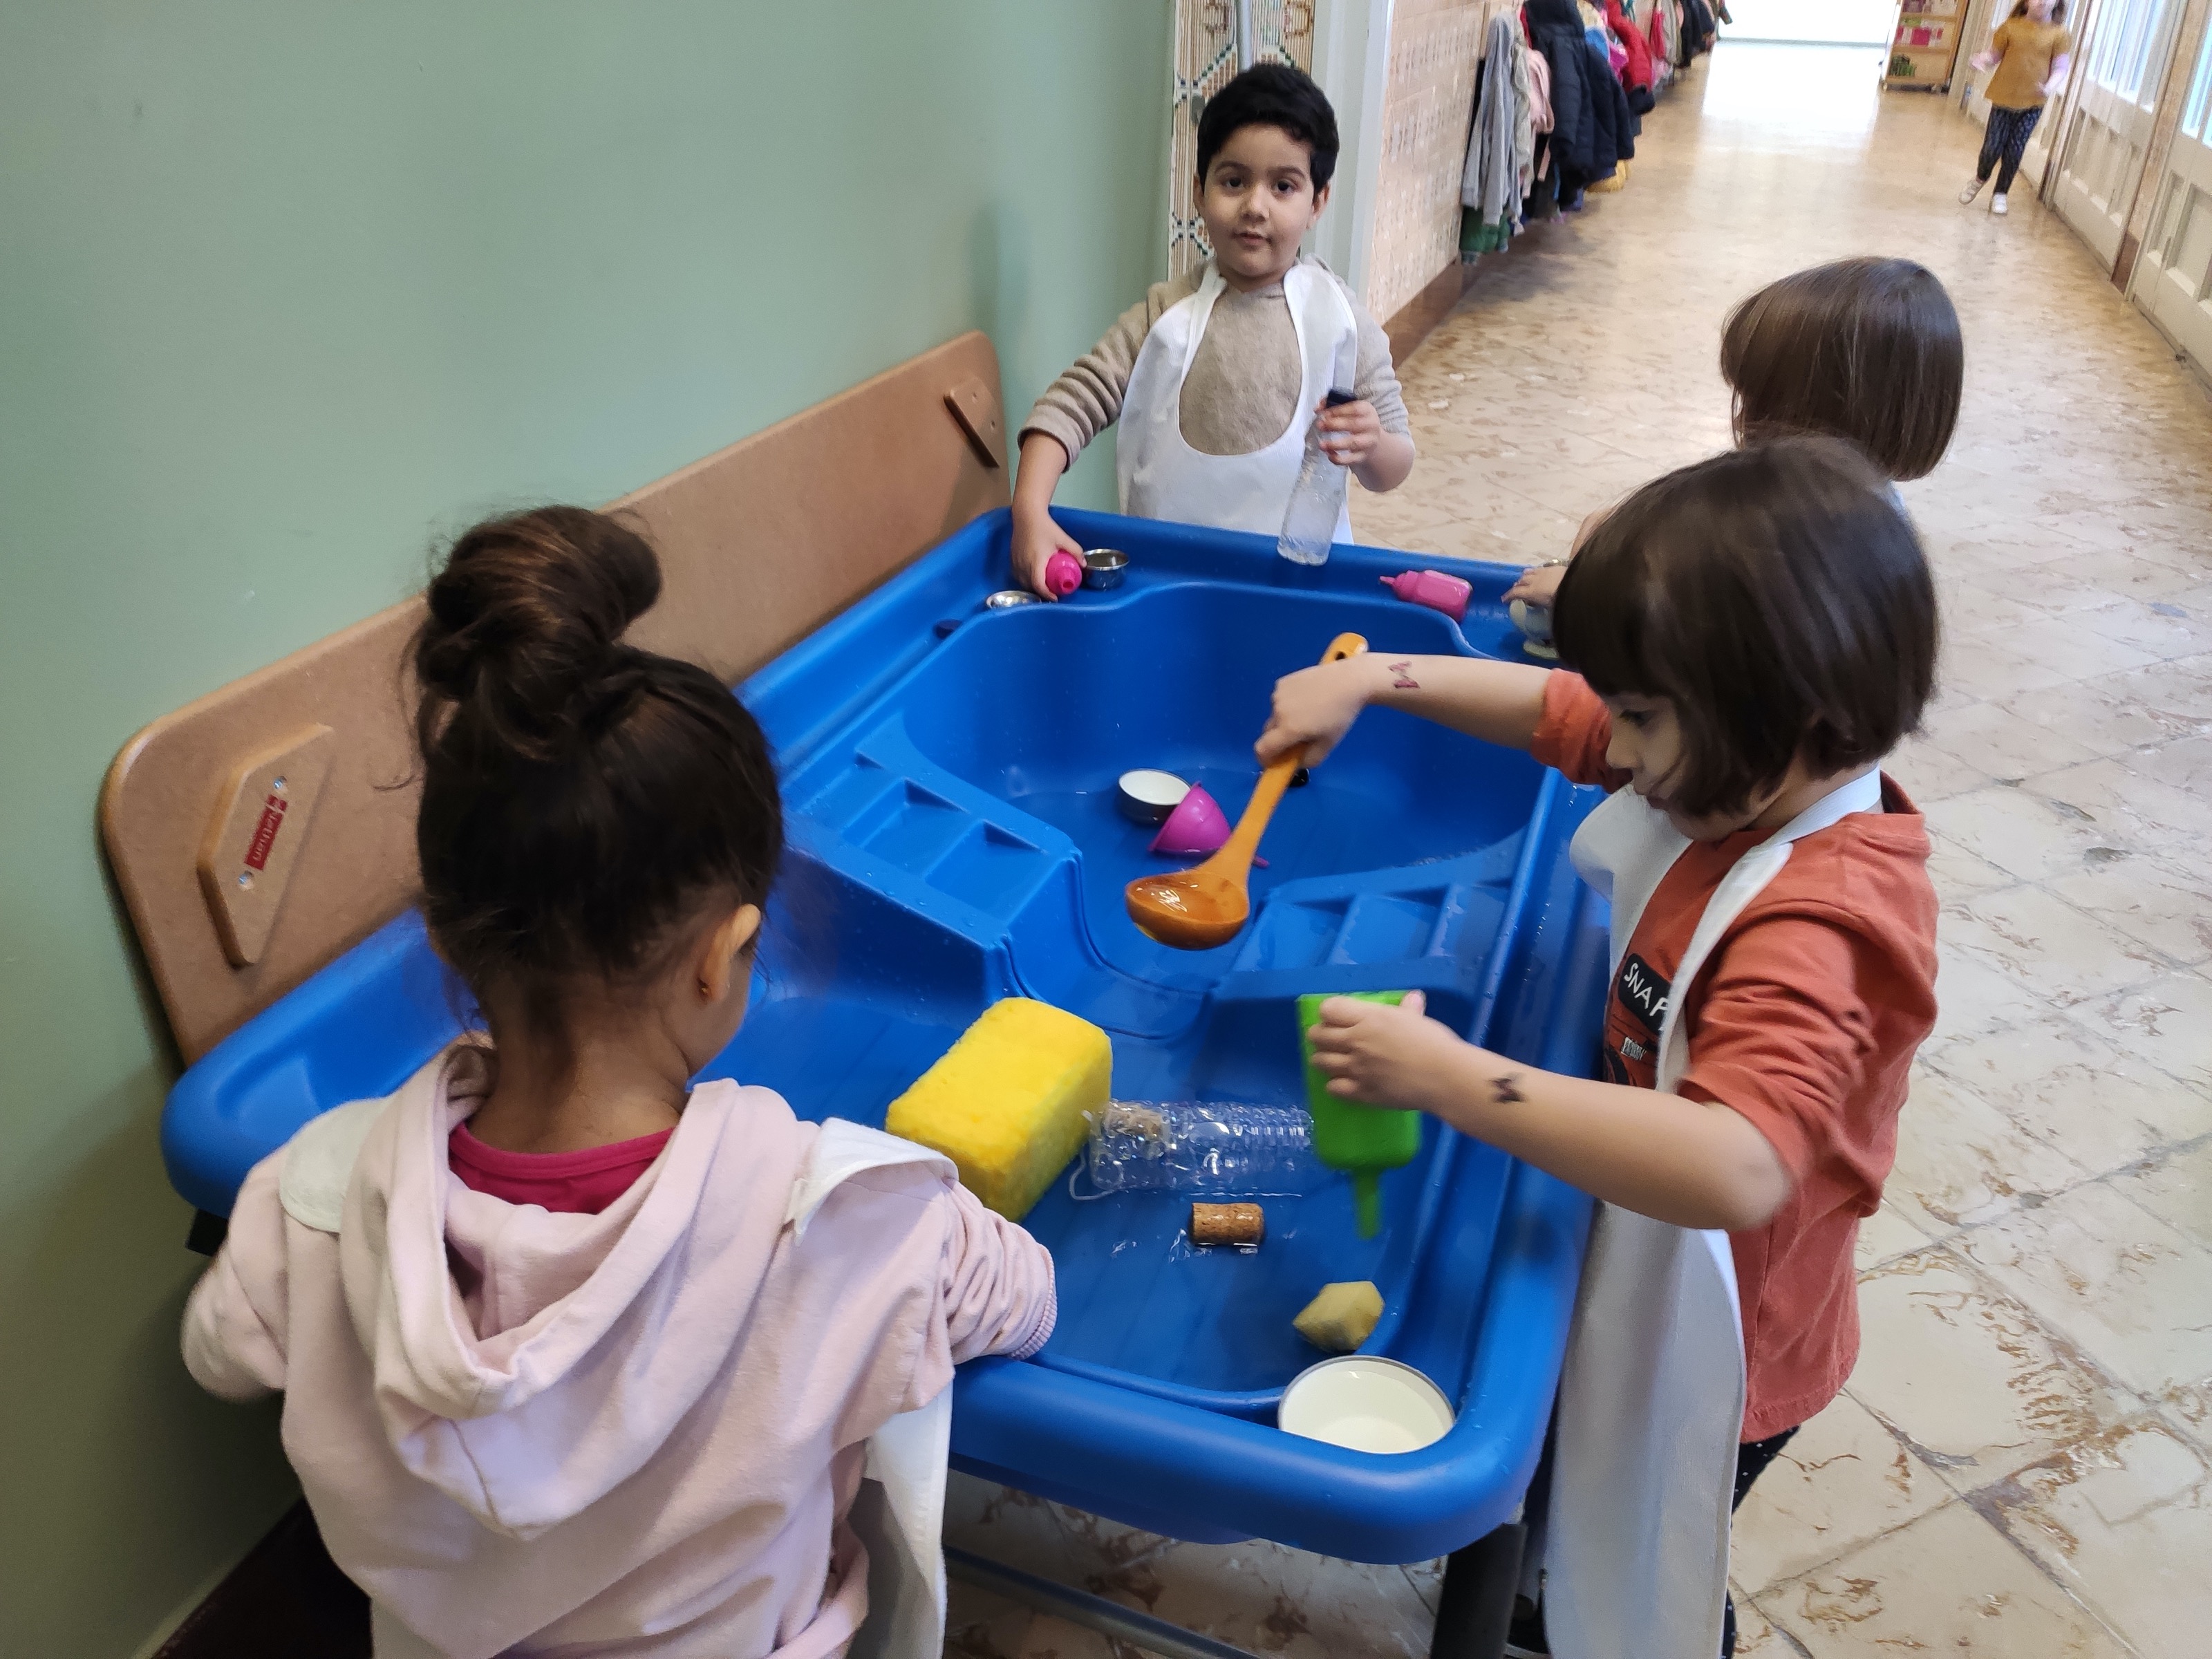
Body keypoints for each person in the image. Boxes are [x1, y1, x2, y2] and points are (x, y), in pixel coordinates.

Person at [180, 507, 1056, 1658]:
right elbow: (1023, 1295)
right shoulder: (845, 1222)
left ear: (445, 942)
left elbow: (219, 1350)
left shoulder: (316, 1195)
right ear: (722, 957)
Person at [1260, 438, 1939, 1659]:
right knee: (1565, 1507)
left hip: (1722, 1338)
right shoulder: (1738, 763)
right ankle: (1533, 1589)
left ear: (1793, 716)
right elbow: (1551, 710)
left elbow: (1736, 1162)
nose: (1613, 754)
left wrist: (1453, 1079)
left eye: (1639, 720)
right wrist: (1372, 681)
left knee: (1641, 1571)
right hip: (1638, 1246)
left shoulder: (1822, 920)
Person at [1011, 63, 1416, 597]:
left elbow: (1393, 468)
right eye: (1234, 182)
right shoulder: (1163, 318)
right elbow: (1069, 406)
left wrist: (1373, 444)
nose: (1255, 206)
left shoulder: (1341, 322)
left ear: (1318, 201)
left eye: (1283, 186)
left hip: (1300, 590)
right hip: (1166, 587)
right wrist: (1029, 510)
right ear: (1200, 193)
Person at [1505, 256, 1962, 612]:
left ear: (1817, 417)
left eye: (1758, 401)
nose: (1742, 418)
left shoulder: (1802, 547)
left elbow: (1686, 639)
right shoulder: (1858, 507)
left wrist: (1580, 598)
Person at [1960, 0, 2072, 216]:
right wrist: (1981, 61)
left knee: (2015, 150)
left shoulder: (2059, 34)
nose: (2042, 2)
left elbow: (2061, 67)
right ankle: (1980, 178)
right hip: (2003, 99)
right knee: (1992, 148)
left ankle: (2001, 193)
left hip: (2032, 104)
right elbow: (1994, 55)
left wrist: (2049, 87)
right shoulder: (2010, 27)